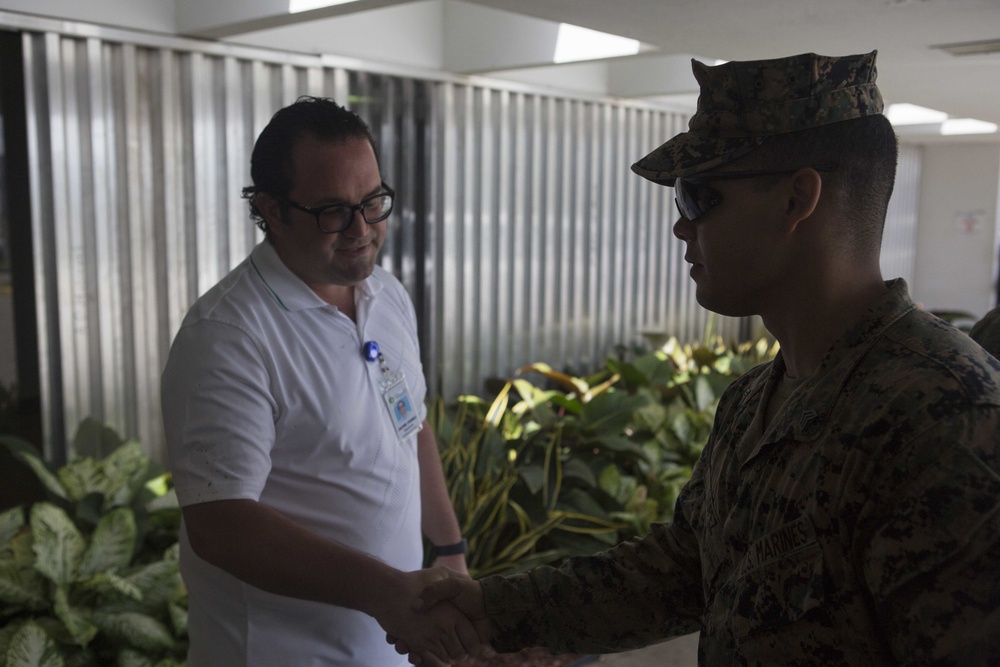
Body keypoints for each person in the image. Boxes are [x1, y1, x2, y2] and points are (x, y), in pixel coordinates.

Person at [404, 51, 1000, 665]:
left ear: (798, 200)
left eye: (699, 197)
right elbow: (683, 570)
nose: (681, 230)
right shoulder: (753, 403)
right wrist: (491, 609)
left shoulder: (951, 418)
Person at [161, 97, 481, 666]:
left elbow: (411, 426)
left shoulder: (386, 295)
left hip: (384, 649)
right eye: (333, 210)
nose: (362, 230)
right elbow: (219, 523)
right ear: (271, 209)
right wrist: (387, 593)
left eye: (373, 202)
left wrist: (450, 550)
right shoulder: (229, 334)